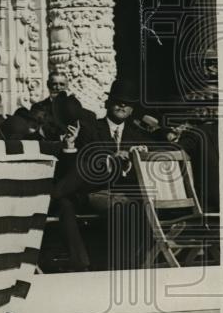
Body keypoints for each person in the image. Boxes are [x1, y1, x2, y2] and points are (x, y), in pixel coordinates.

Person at [49, 79, 163, 271]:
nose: (122, 105)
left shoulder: (138, 135)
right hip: (93, 191)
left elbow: (159, 154)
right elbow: (77, 168)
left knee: (145, 206)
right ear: (108, 103)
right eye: (118, 100)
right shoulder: (89, 129)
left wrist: (142, 156)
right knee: (123, 207)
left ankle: (136, 264)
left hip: (127, 193)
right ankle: (121, 266)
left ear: (132, 110)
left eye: (127, 103)